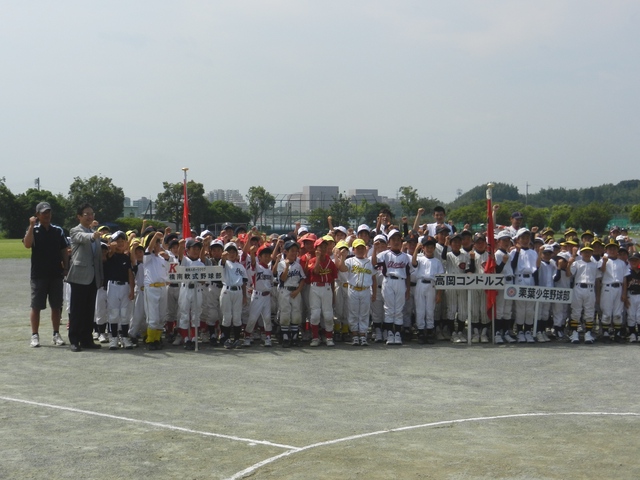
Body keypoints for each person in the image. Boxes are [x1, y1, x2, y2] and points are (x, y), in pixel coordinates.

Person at [23, 201, 70, 347]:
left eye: (48, 212)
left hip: (56, 273)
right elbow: (27, 244)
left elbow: (64, 249)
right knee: (36, 306)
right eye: (43, 213)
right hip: (39, 274)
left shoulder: (58, 230)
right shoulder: (34, 229)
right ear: (37, 215)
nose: (47, 215)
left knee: (56, 306)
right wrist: (31, 226)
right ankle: (34, 335)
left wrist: (66, 267)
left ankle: (56, 334)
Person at [66, 204, 104, 352]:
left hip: (93, 278)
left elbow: (98, 258)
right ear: (79, 216)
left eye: (91, 213)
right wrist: (93, 235)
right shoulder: (75, 231)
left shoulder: (94, 233)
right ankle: (74, 340)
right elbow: (83, 238)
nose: (90, 216)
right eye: (86, 214)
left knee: (89, 310)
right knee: (77, 311)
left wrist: (100, 277)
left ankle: (87, 339)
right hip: (79, 277)